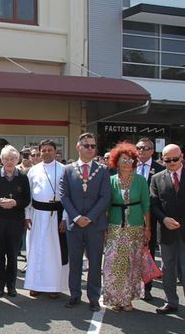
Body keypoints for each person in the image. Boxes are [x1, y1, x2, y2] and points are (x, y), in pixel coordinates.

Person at [60, 133, 111, 312]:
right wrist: (76, 217)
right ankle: (74, 295)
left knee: (95, 262)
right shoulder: (67, 170)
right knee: (74, 262)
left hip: (95, 225)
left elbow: (105, 197)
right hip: (74, 225)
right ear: (78, 147)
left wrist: (89, 217)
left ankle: (93, 297)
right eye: (86, 145)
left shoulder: (103, 170)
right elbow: (64, 196)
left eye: (93, 146)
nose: (90, 149)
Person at [103, 143, 149, 312]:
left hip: (136, 227)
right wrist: (105, 228)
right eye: (123, 160)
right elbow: (106, 207)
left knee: (132, 263)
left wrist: (147, 228)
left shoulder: (141, 180)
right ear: (117, 161)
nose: (127, 163)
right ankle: (115, 298)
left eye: (130, 160)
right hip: (115, 226)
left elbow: (147, 206)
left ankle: (128, 299)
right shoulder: (110, 180)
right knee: (114, 263)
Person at [24, 139, 68, 299]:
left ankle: (54, 286)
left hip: (56, 215)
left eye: (50, 150)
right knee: (36, 251)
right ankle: (35, 285)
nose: (47, 152)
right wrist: (27, 216)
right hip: (37, 215)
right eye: (44, 150)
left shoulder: (64, 169)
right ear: (39, 152)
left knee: (54, 253)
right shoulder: (33, 170)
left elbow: (67, 197)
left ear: (55, 152)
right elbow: (28, 196)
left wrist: (65, 218)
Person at [0, 145, 31, 297]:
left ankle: (11, 286)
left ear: (17, 159)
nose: (9, 162)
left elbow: (27, 199)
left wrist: (15, 203)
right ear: (1, 160)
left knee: (13, 254)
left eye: (12, 159)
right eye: (6, 159)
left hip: (15, 221)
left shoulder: (23, 176)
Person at [150, 144, 185, 315]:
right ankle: (171, 302)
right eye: (167, 160)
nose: (171, 162)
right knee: (167, 269)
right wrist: (164, 219)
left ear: (182, 157)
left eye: (174, 159)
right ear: (162, 159)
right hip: (166, 232)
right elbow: (154, 204)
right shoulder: (156, 178)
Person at [135, 137, 165, 301]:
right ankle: (131, 286)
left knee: (148, 254)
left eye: (146, 148)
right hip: (130, 216)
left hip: (150, 219)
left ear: (152, 151)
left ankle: (147, 288)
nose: (142, 151)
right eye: (139, 148)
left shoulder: (160, 169)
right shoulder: (129, 166)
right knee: (130, 253)